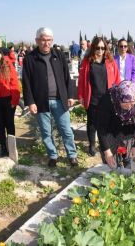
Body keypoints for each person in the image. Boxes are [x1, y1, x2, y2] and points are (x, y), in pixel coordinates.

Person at [23, 27, 78, 167]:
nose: (46, 43)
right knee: (46, 132)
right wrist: (30, 102)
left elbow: (67, 76)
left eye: (49, 40)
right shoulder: (30, 58)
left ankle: (72, 155)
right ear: (37, 41)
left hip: (60, 100)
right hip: (42, 101)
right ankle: (53, 156)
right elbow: (26, 82)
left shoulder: (58, 55)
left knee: (66, 130)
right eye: (43, 40)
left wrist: (70, 95)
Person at [77, 37, 121, 156]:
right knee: (92, 122)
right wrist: (80, 95)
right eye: (98, 47)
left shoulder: (110, 61)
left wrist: (118, 94)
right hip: (93, 97)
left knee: (108, 122)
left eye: (103, 47)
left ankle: (105, 145)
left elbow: (117, 78)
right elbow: (81, 80)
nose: (100, 50)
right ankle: (92, 145)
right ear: (93, 48)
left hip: (108, 97)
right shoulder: (86, 61)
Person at [96, 80, 135, 168]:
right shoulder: (106, 101)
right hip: (110, 132)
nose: (128, 106)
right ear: (119, 98)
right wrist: (107, 151)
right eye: (125, 103)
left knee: (133, 166)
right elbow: (101, 128)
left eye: (132, 104)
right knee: (112, 165)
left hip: (130, 133)